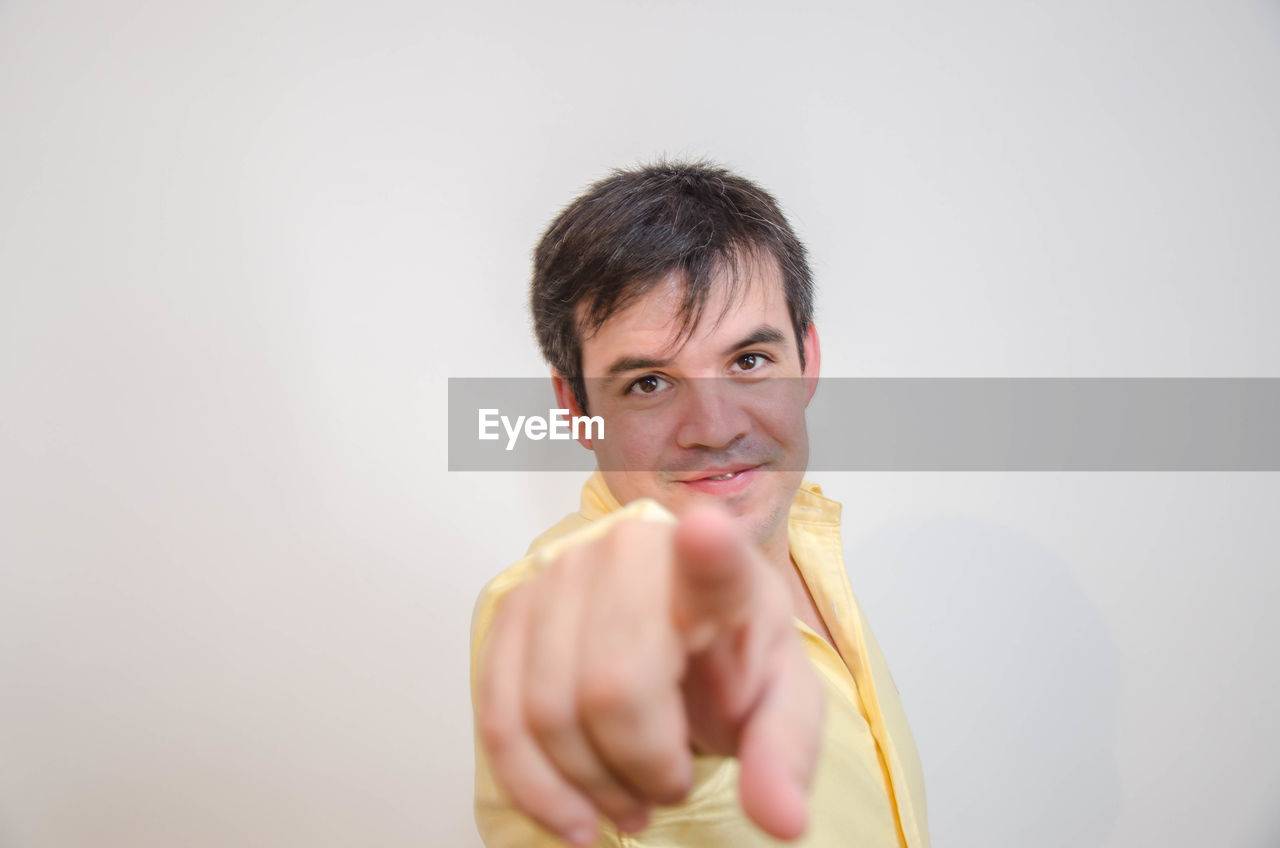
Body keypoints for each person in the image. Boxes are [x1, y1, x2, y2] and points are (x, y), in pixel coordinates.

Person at [470, 161, 930, 848]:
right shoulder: (567, 605)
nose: (715, 427)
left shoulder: (802, 535)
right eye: (650, 382)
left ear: (806, 358)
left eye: (748, 361)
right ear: (576, 408)